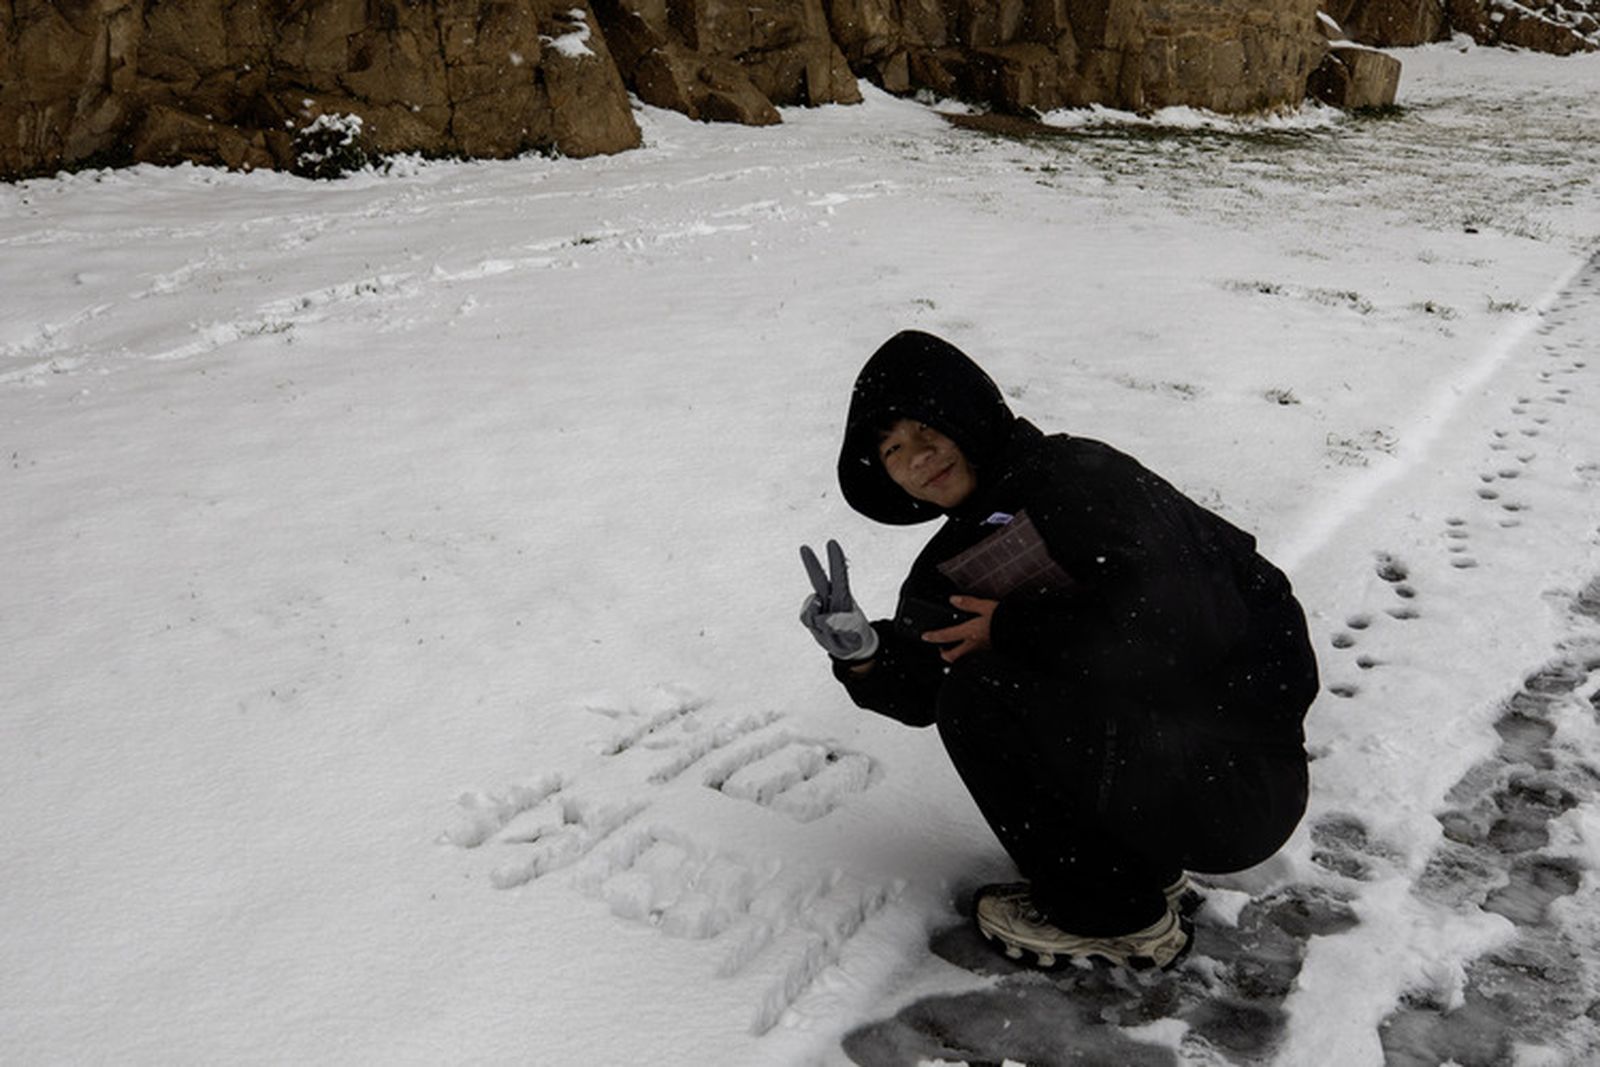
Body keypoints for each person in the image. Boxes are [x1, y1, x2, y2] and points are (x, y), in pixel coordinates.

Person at [799, 330, 1318, 971]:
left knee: (986, 689)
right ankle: (1134, 878)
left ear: (966, 412)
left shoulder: (1078, 482)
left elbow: (1190, 620)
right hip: (1166, 786)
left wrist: (1018, 629)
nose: (918, 456)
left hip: (1239, 776)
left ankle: (1111, 918)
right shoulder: (954, 561)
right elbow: (930, 684)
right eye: (892, 448)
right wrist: (866, 651)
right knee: (980, 687)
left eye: (926, 426)